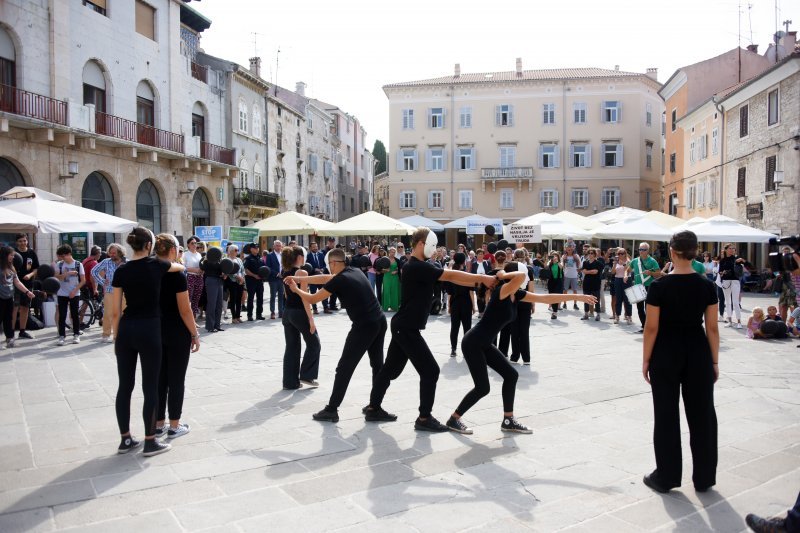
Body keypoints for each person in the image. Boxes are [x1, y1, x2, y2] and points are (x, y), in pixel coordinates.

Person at [365, 227, 496, 432]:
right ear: (420, 245)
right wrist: (483, 279)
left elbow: (452, 277)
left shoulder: (418, 266)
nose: (435, 251)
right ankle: (424, 418)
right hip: (406, 328)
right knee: (431, 371)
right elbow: (451, 275)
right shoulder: (415, 266)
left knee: (390, 370)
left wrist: (478, 281)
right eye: (432, 247)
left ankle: (373, 407)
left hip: (403, 326)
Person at [446, 262, 597, 435]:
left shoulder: (516, 294)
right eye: (523, 272)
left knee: (511, 375)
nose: (526, 277)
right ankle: (454, 419)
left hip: (484, 343)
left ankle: (508, 420)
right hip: (473, 343)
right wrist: (502, 275)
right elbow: (520, 277)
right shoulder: (501, 291)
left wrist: (577, 297)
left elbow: (544, 299)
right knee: (483, 388)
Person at [641, 230, 719, 494]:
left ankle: (667, 475)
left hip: (665, 350)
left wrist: (646, 360)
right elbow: (713, 328)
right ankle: (704, 477)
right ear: (695, 252)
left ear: (672, 252)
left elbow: (651, 328)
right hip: (698, 350)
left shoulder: (660, 286)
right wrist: (715, 361)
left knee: (665, 413)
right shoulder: (707, 285)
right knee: (703, 414)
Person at [284, 248, 385, 422]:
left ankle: (331, 409)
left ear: (333, 263)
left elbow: (314, 298)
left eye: (329, 265)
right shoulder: (353, 270)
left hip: (364, 326)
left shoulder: (340, 280)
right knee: (377, 365)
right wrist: (301, 278)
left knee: (344, 368)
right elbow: (325, 278)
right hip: (379, 320)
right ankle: (374, 407)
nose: (328, 269)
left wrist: (296, 289)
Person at [110, 227, 184, 457]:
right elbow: (178, 266)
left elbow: (115, 310)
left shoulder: (121, 270)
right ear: (149, 246)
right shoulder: (157, 266)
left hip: (126, 329)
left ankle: (125, 439)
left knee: (125, 386)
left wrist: (115, 336)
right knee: (150, 386)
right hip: (149, 328)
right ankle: (150, 440)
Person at [153, 234, 200, 441]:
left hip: (155, 329)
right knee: (176, 379)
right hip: (176, 331)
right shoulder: (177, 275)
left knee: (159, 379)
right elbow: (185, 310)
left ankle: (158, 424)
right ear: (173, 250)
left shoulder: (150, 272)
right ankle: (174, 425)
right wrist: (194, 333)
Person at [281, 245, 320, 390]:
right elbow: (305, 297)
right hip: (299, 312)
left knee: (291, 347)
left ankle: (289, 383)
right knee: (314, 343)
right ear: (299, 257)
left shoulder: (284, 271)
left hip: (288, 312)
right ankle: (307, 375)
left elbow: (286, 295)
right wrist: (311, 318)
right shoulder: (301, 272)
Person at [0, 246, 36, 348]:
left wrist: (27, 292)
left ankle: (10, 339)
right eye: (11, 255)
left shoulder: (12, 267)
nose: (13, 257)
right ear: (5, 255)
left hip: (9, 297)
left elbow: (17, 282)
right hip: (0, 298)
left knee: (9, 319)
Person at [91, 243, 126, 343]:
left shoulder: (126, 262)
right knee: (108, 314)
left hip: (124, 292)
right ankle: (106, 334)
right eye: (110, 253)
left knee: (125, 313)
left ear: (120, 252)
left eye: (114, 253)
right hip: (110, 291)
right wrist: (102, 282)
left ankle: (119, 335)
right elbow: (94, 271)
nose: (112, 255)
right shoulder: (106, 262)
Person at [54, 244, 85, 346]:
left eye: (63, 256)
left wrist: (74, 291)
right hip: (62, 293)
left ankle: (76, 334)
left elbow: (83, 280)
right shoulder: (59, 264)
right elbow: (56, 277)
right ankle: (62, 336)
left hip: (74, 293)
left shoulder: (78, 264)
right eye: (61, 256)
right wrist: (67, 274)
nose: (62, 258)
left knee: (74, 314)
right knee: (62, 315)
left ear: (69, 254)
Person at [627, 242, 662, 333]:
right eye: (640, 249)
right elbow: (628, 270)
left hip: (649, 287)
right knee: (639, 308)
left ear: (648, 251)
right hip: (638, 286)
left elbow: (659, 274)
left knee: (648, 308)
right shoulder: (635, 261)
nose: (641, 251)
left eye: (643, 250)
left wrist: (651, 273)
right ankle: (644, 326)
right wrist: (625, 275)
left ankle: (650, 326)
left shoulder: (652, 261)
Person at [446, 252, 475, 357]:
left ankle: (453, 349)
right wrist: (474, 306)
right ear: (464, 261)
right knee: (467, 328)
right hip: (466, 302)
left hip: (455, 303)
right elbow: (471, 292)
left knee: (454, 327)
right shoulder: (467, 275)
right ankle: (467, 350)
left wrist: (449, 306)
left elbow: (449, 293)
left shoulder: (451, 275)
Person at [509, 249, 535, 365]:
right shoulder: (529, 269)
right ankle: (526, 358)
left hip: (514, 300)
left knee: (514, 330)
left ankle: (515, 356)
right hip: (525, 299)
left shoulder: (511, 267)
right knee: (524, 331)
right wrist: (533, 303)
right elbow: (531, 288)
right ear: (525, 256)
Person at [12, 234, 39, 340]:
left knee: (25, 308)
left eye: (24, 241)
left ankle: (22, 331)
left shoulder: (31, 253)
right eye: (20, 241)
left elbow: (36, 268)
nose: (23, 243)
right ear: (16, 242)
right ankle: (11, 333)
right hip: (15, 284)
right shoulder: (13, 253)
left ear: (27, 241)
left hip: (28, 285)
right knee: (14, 309)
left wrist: (30, 275)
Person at [718, 243, 746, 329]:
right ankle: (729, 321)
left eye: (733, 248)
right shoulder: (722, 260)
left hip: (735, 281)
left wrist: (743, 261)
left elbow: (749, 265)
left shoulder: (737, 259)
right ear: (726, 250)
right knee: (727, 301)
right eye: (730, 248)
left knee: (736, 302)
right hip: (726, 281)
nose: (732, 250)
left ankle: (739, 321)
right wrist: (722, 273)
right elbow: (720, 271)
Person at [200, 248, 225, 333]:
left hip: (219, 281)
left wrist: (225, 274)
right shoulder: (206, 261)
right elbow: (202, 266)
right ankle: (210, 326)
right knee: (212, 304)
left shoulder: (220, 261)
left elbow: (224, 272)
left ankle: (217, 325)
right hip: (211, 280)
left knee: (219, 304)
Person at [183, 236, 204, 320]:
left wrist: (202, 270)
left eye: (195, 243)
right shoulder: (185, 254)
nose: (194, 245)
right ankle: (187, 319)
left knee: (196, 299)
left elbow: (201, 266)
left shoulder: (199, 254)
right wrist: (195, 270)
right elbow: (183, 267)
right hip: (190, 277)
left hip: (199, 277)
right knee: (189, 299)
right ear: (188, 245)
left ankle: (193, 318)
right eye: (192, 243)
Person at [243, 243, 265, 321]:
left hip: (260, 281)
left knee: (260, 298)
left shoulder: (260, 258)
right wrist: (254, 275)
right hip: (251, 281)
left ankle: (259, 314)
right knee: (251, 298)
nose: (257, 249)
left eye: (258, 248)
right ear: (251, 249)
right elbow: (246, 270)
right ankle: (250, 315)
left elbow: (264, 269)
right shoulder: (248, 258)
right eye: (255, 248)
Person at [581, 248, 603, 321]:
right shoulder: (585, 263)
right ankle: (586, 314)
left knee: (596, 299)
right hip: (586, 283)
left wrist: (588, 271)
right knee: (586, 299)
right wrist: (590, 271)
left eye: (592, 253)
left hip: (595, 283)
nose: (590, 255)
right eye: (589, 253)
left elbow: (596, 272)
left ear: (595, 254)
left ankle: (598, 314)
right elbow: (584, 271)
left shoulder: (598, 263)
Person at [225, 244, 245, 324]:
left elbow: (243, 270)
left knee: (239, 299)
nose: (237, 252)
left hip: (240, 281)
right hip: (232, 281)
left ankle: (238, 316)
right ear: (230, 251)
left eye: (237, 250)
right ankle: (233, 318)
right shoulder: (227, 260)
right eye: (236, 250)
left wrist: (242, 278)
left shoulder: (239, 260)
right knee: (233, 299)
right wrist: (237, 277)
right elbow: (228, 271)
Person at [306, 241, 327, 315]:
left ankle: (325, 307)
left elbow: (325, 264)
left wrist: (323, 269)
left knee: (324, 292)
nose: (315, 248)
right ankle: (314, 309)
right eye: (314, 247)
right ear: (310, 248)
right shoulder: (308, 256)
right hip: (312, 278)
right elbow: (306, 267)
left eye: (316, 246)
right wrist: (314, 269)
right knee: (313, 293)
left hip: (321, 277)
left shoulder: (321, 254)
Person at [614, 249, 633, 325]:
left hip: (627, 280)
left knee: (627, 299)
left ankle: (629, 316)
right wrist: (614, 264)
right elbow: (612, 272)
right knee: (618, 298)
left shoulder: (628, 261)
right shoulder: (617, 261)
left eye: (622, 254)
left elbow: (628, 271)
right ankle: (617, 316)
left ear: (625, 254)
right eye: (619, 254)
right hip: (617, 279)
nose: (620, 255)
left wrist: (624, 264)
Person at [266, 240, 284, 319]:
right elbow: (268, 267)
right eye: (277, 245)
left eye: (279, 245)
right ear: (273, 246)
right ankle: (272, 312)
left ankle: (281, 312)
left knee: (281, 296)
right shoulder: (270, 255)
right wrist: (277, 274)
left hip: (282, 279)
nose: (278, 247)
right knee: (273, 296)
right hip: (273, 279)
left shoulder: (283, 255)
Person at [561, 245, 581, 311]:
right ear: (566, 249)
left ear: (573, 249)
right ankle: (564, 303)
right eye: (568, 249)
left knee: (575, 290)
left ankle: (575, 304)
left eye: (571, 249)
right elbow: (562, 265)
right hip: (566, 275)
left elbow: (580, 265)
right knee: (565, 290)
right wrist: (563, 260)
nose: (570, 250)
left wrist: (577, 259)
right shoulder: (564, 256)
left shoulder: (576, 256)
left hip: (574, 275)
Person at [545, 252, 564, 320]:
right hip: (551, 281)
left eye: (556, 256)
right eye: (553, 256)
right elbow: (546, 267)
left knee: (556, 295)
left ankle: (555, 312)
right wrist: (547, 259)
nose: (554, 258)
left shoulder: (560, 262)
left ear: (558, 257)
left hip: (558, 281)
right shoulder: (550, 263)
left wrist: (557, 261)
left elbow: (562, 267)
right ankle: (554, 310)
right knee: (551, 296)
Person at [382, 247, 401, 312]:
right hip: (386, 276)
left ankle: (394, 307)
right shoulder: (384, 259)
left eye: (394, 252)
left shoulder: (397, 260)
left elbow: (399, 269)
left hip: (395, 277)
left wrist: (396, 271)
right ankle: (386, 307)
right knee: (386, 291)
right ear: (389, 252)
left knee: (394, 291)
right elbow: (380, 269)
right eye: (391, 252)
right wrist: (386, 270)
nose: (392, 253)